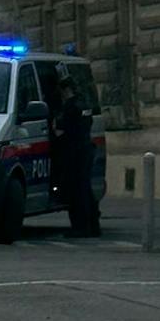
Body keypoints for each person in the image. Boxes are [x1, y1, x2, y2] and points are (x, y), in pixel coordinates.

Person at [53, 77, 101, 237]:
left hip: (73, 152)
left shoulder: (69, 107)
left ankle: (80, 227)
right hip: (85, 149)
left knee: (75, 191)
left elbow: (59, 131)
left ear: (66, 90)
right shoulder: (85, 104)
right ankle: (93, 225)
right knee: (85, 189)